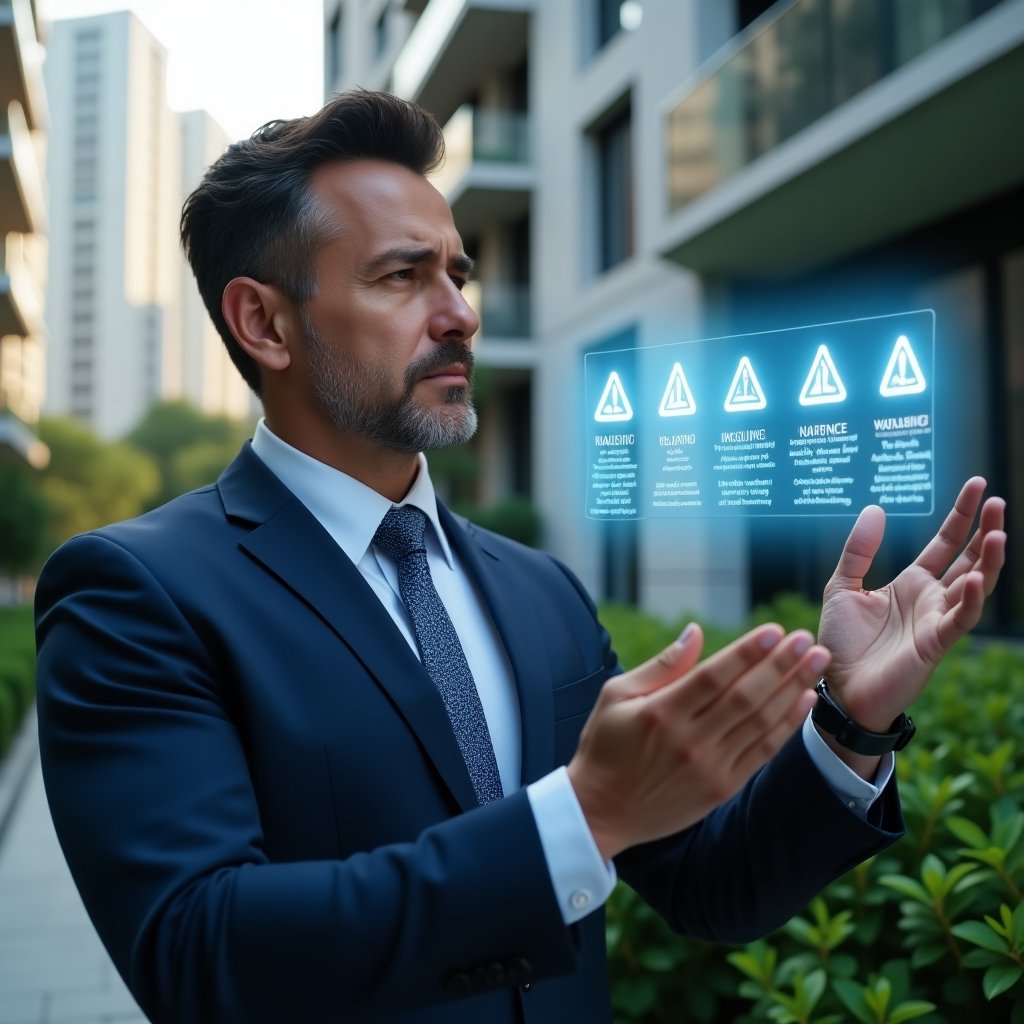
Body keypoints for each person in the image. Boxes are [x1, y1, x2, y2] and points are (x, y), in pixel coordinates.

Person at [34, 91, 1006, 1024]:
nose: (458, 312)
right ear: (264, 323)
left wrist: (848, 726)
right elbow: (197, 955)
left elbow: (711, 885)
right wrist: (575, 818)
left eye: (458, 273)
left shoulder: (535, 587)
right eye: (401, 276)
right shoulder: (135, 593)